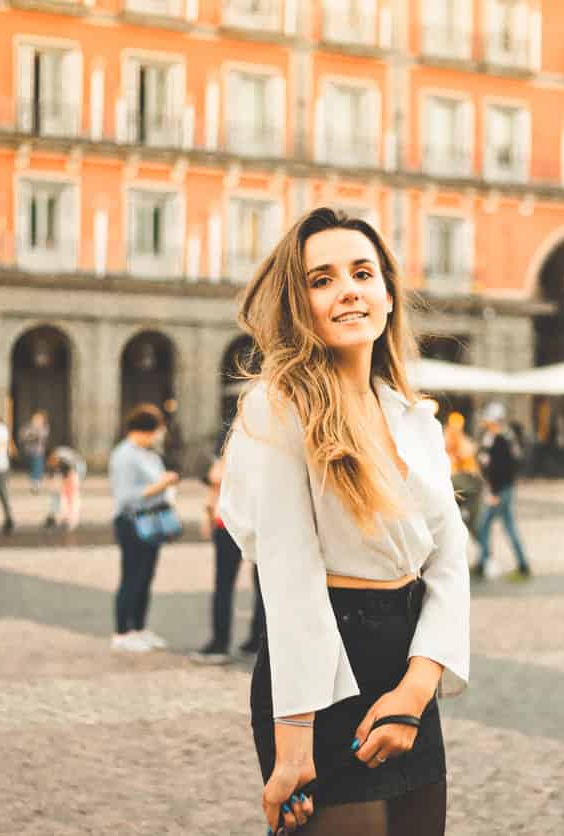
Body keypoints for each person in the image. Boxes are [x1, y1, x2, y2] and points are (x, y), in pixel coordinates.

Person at [219, 208, 469, 835]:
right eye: (321, 279)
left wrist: (416, 692)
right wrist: (294, 745)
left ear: (388, 294)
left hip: (410, 666)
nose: (348, 290)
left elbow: (449, 563)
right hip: (321, 675)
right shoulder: (275, 410)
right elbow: (289, 580)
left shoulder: (414, 418)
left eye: (362, 273)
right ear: (297, 303)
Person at [109, 404, 180, 653]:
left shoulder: (147, 453)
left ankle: (138, 628)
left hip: (151, 519)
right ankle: (121, 632)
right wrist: (162, 484)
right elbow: (127, 496)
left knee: (146, 576)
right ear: (143, 430)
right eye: (156, 431)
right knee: (132, 577)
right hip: (131, 521)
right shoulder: (124, 455)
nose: (158, 436)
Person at [193, 431, 264, 664]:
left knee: (224, 585)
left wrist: (208, 514)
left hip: (230, 524)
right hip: (261, 524)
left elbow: (214, 480)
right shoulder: (266, 448)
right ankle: (257, 641)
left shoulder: (232, 446)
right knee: (262, 587)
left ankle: (219, 643)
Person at [474, 401, 533, 582]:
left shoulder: (500, 439)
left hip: (499, 490)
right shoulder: (499, 437)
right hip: (502, 488)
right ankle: (518, 564)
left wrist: (493, 491)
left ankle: (486, 562)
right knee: (503, 526)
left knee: (487, 526)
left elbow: (500, 469)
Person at [443, 414, 483, 537]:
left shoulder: (461, 440)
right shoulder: (446, 439)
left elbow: (466, 453)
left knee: (473, 519)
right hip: (456, 481)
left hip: (467, 481)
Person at [44, 446, 86, 532]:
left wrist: (67, 482)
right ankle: (63, 517)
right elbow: (53, 474)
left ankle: (72, 519)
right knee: (62, 495)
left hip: (78, 469)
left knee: (73, 496)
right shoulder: (55, 460)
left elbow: (71, 470)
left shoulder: (62, 457)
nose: (50, 462)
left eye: (50, 460)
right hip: (71, 472)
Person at [19, 411, 50, 494]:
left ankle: (36, 483)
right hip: (29, 451)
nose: (37, 420)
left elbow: (41, 436)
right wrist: (31, 435)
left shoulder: (44, 427)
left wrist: (31, 435)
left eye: (39, 419)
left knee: (38, 466)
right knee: (31, 468)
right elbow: (23, 435)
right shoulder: (28, 427)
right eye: (35, 418)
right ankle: (34, 482)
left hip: (38, 451)